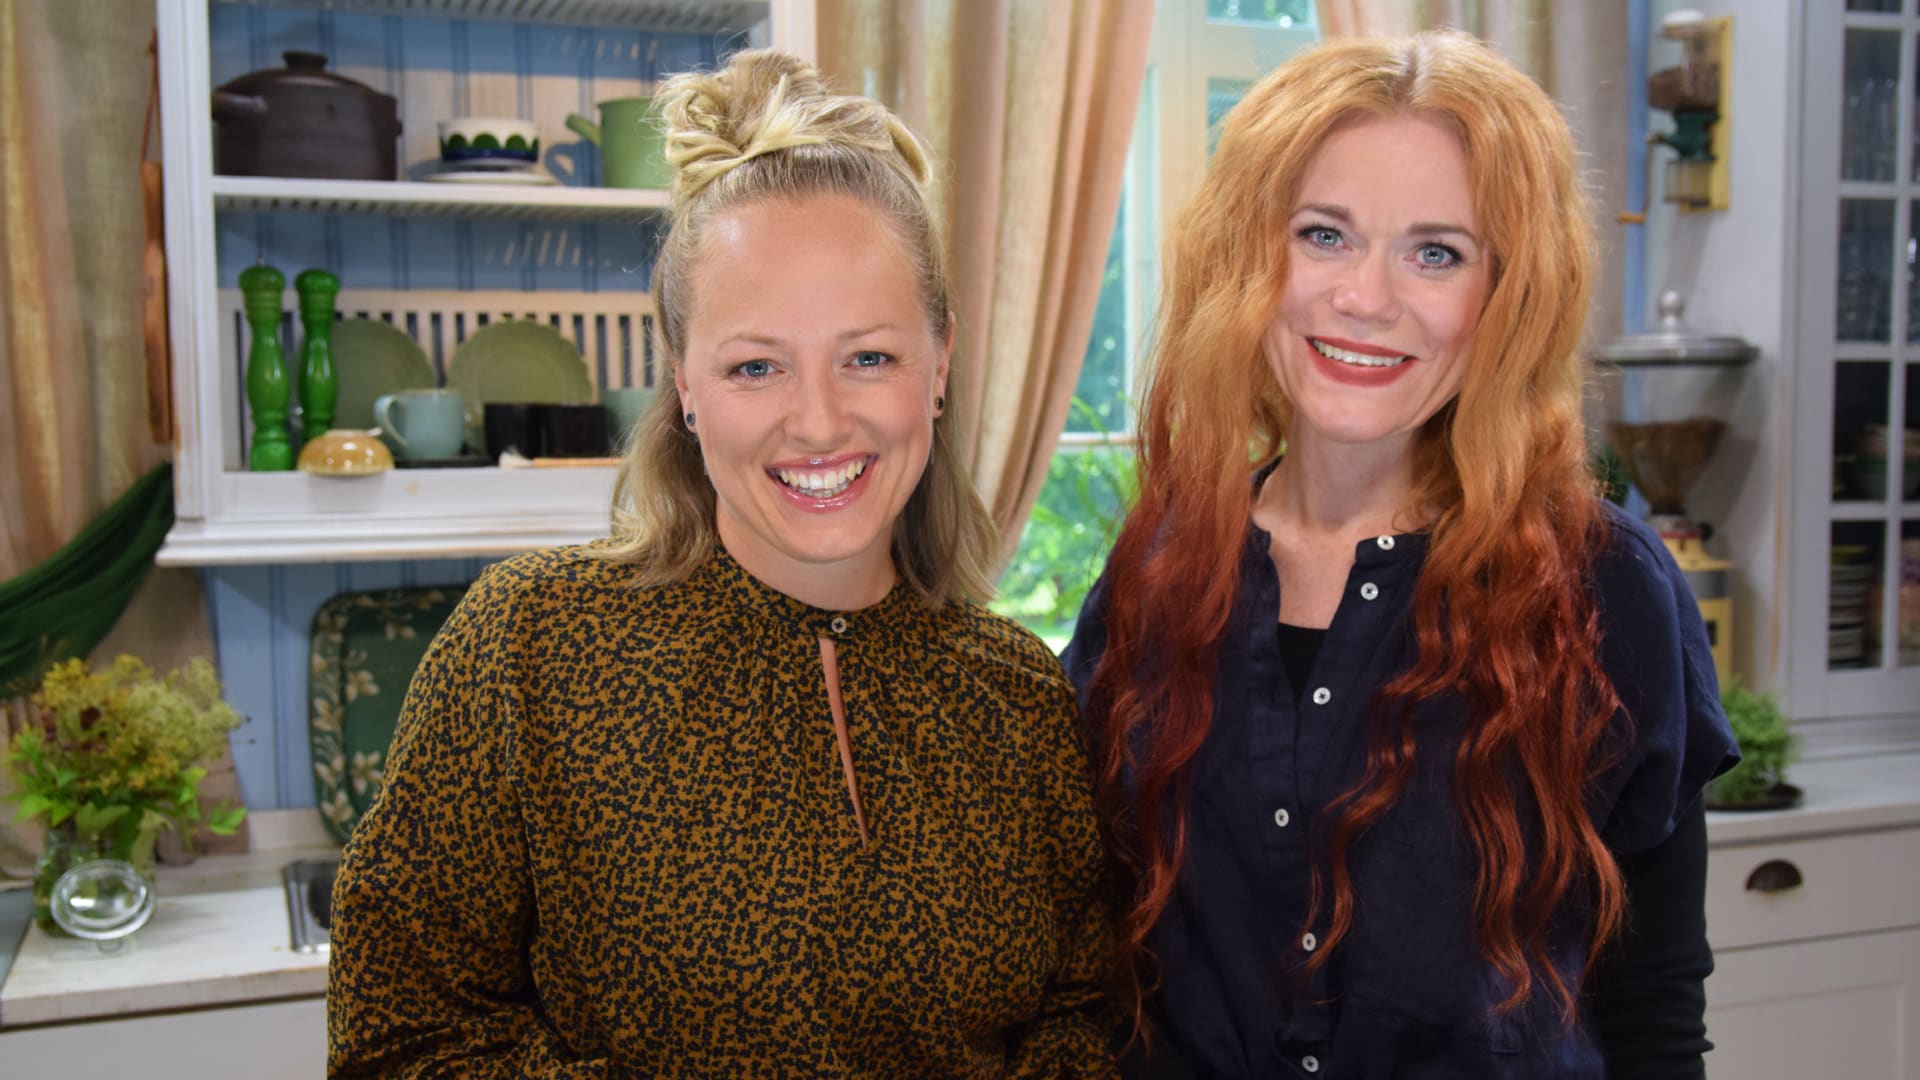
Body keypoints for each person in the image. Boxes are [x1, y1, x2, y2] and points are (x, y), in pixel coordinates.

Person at [328, 49, 1118, 1077]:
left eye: (868, 357)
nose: (818, 421)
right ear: (684, 385)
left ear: (941, 365)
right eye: (756, 366)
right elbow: (398, 1041)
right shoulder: (531, 648)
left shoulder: (1018, 696)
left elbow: (1082, 1017)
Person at [1064, 30, 1739, 1080]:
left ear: (1507, 297)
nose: (1366, 297)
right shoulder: (1157, 569)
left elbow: (1654, 1009)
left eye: (1437, 253)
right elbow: (1095, 968)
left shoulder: (1606, 586)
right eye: (1323, 235)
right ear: (1250, 255)